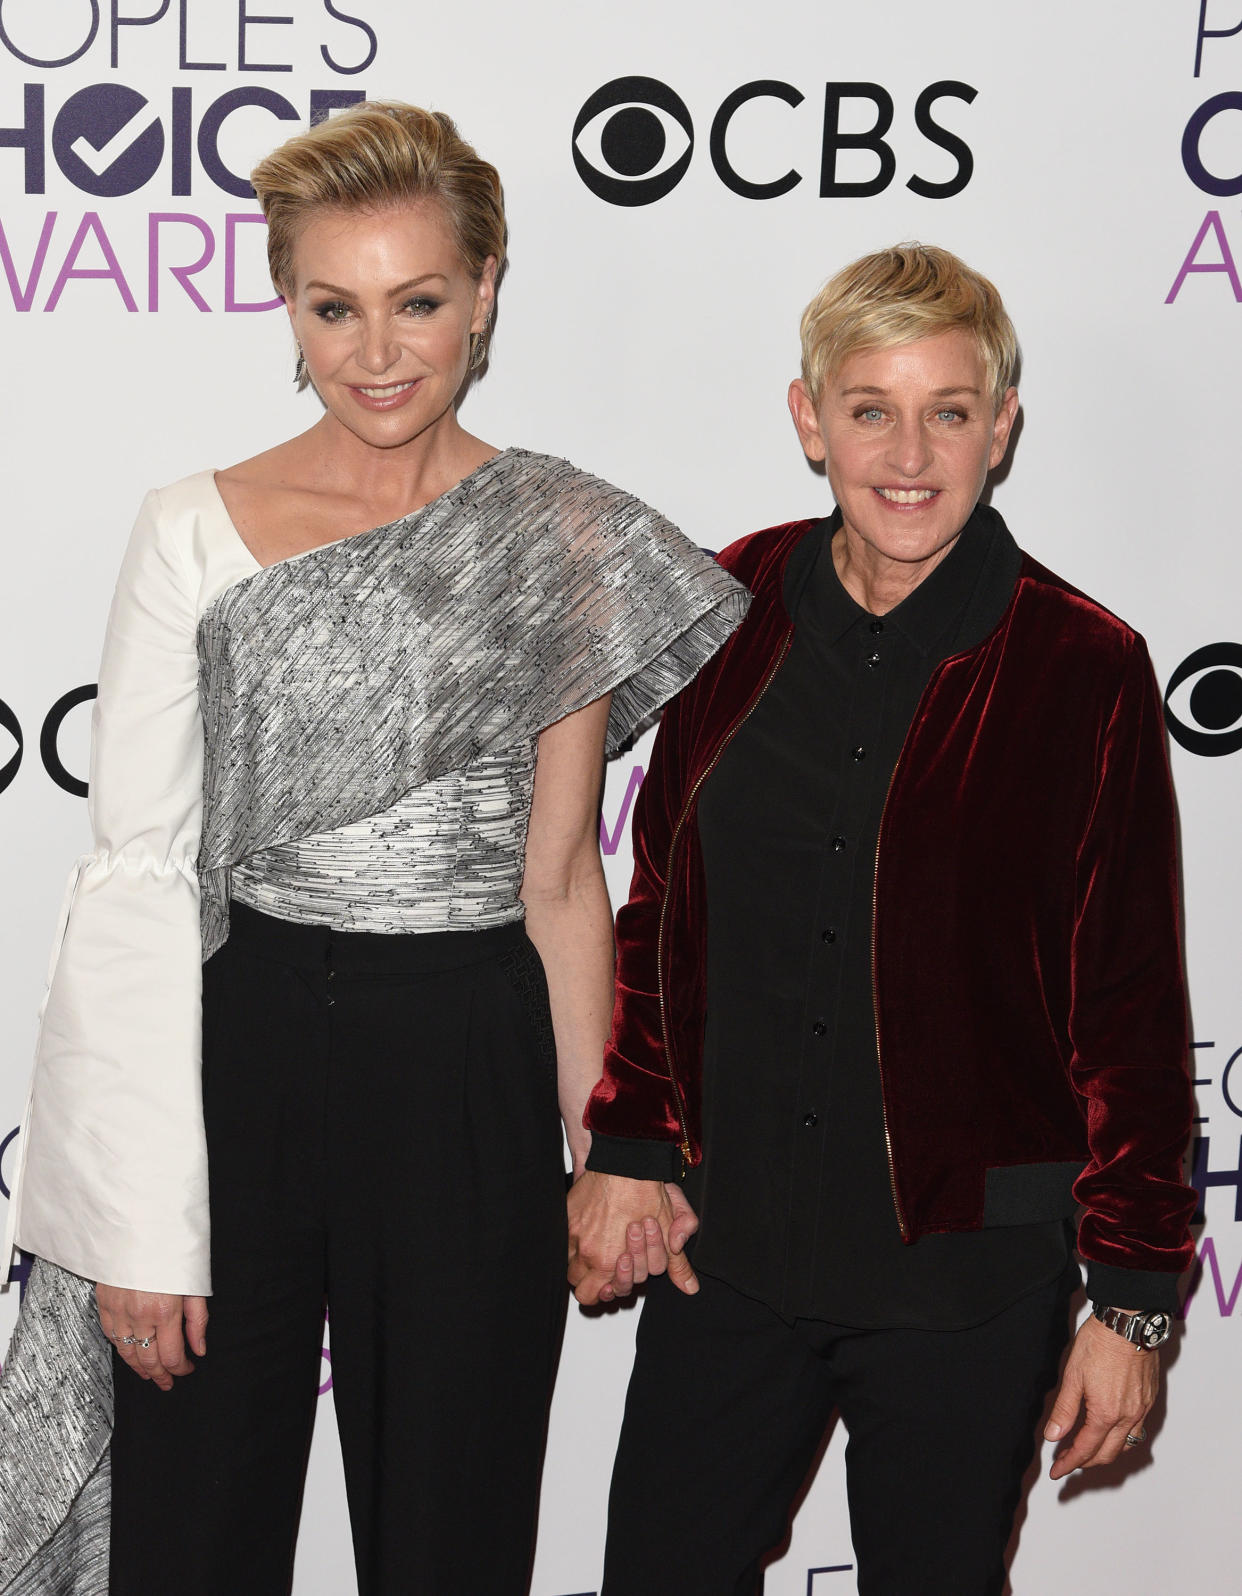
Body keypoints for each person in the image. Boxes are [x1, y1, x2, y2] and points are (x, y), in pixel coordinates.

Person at [0, 102, 748, 1596]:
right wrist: (137, 1220)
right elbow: (139, 882)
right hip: (242, 1052)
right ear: (287, 305)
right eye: (334, 307)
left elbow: (555, 881)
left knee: (453, 1543)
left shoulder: (560, 537)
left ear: (484, 294)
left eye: (418, 302)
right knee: (193, 1537)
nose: (379, 350)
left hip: (466, 1054)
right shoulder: (192, 530)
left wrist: (610, 1147)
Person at [567, 243, 1196, 1596]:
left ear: (1001, 427)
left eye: (948, 411)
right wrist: (629, 1136)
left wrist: (1133, 1301)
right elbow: (662, 906)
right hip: (722, 1266)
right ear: (808, 417)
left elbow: (1130, 1003)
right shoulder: (724, 606)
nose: (908, 452)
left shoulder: (1082, 666)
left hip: (965, 1287)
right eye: (869, 408)